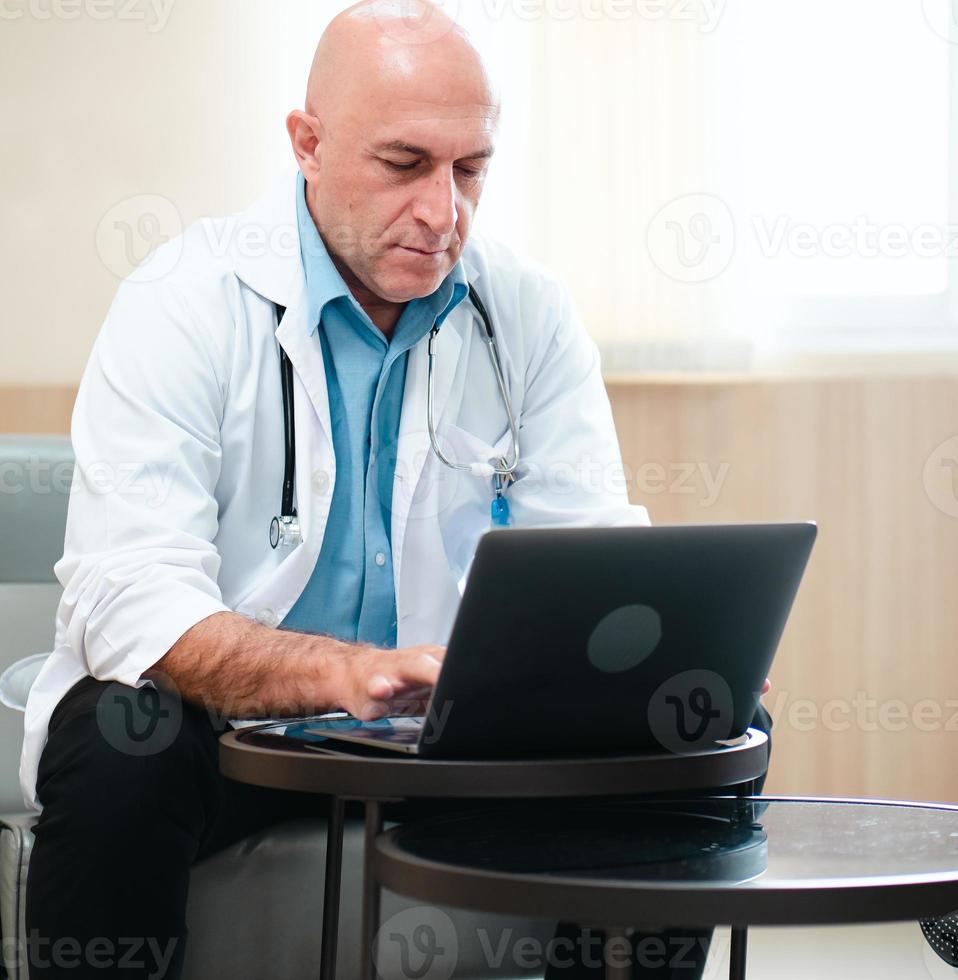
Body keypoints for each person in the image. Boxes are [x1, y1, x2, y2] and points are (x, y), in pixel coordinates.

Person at [20, 2, 770, 977]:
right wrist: (341, 674)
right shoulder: (181, 301)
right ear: (308, 143)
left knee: (699, 708)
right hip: (230, 738)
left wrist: (645, 661)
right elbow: (129, 597)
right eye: (404, 163)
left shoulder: (525, 313)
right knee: (122, 735)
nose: (442, 210)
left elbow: (595, 561)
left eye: (470, 169)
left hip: (451, 739)